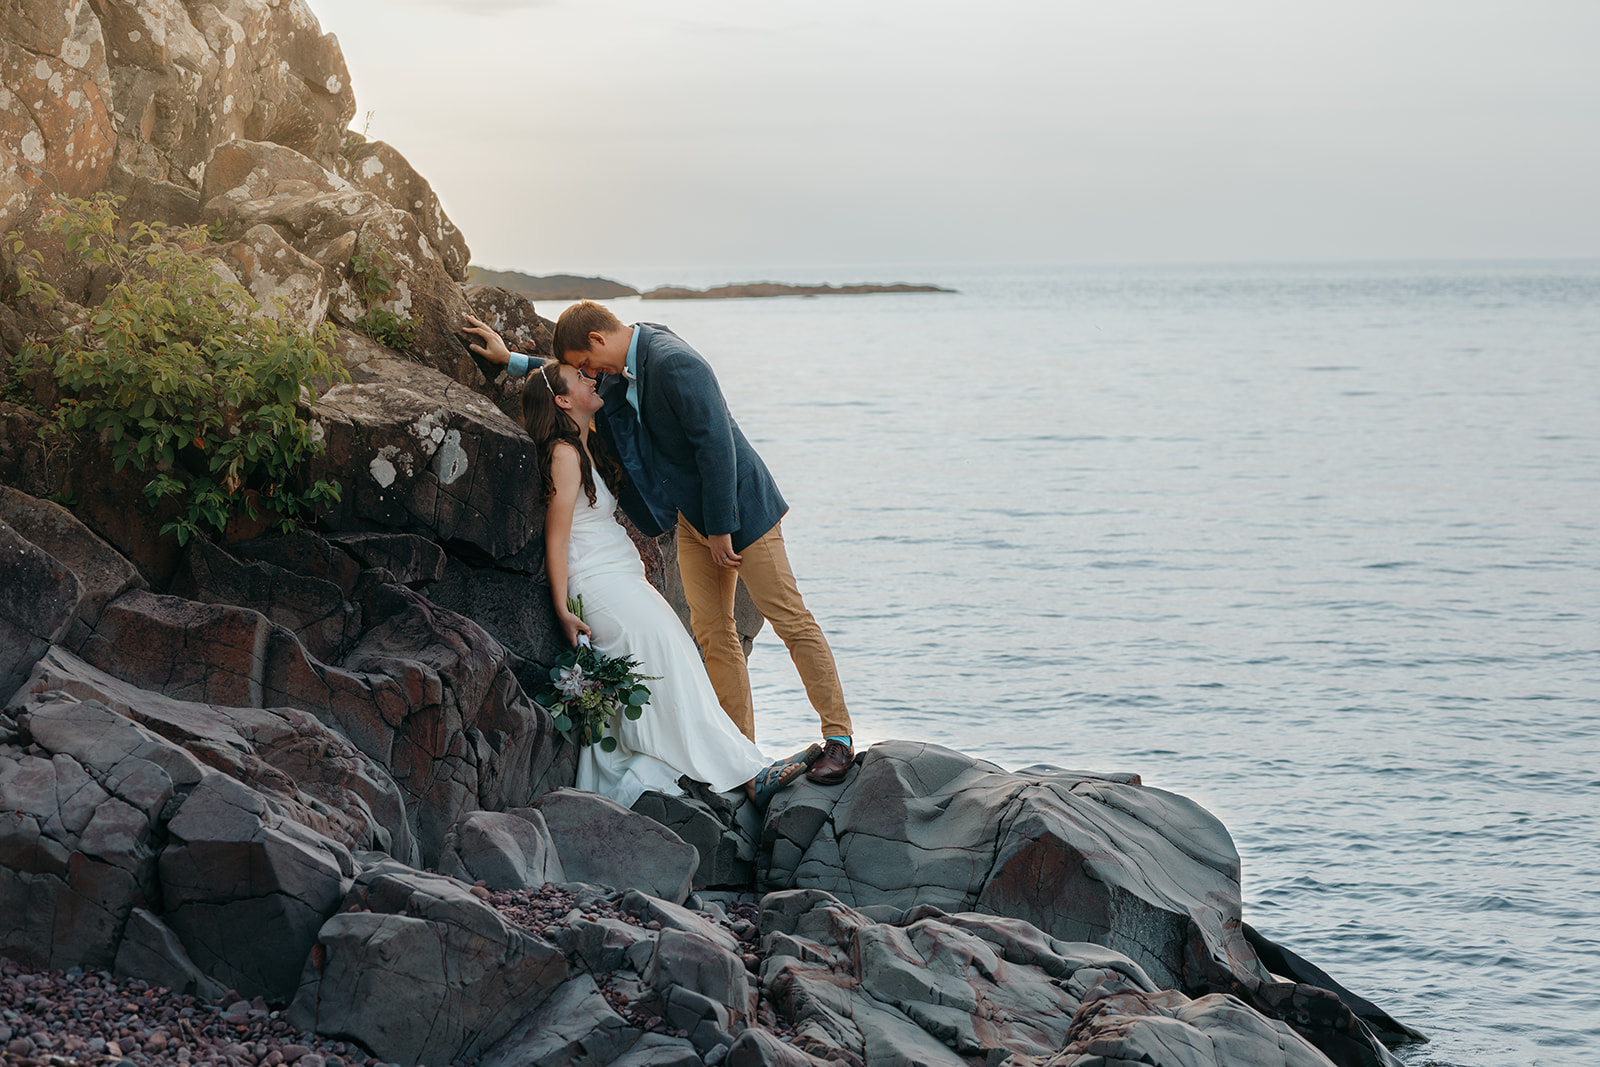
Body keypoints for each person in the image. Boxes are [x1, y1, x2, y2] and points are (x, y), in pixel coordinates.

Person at [463, 304, 856, 786]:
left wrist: (721, 528)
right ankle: (743, 759)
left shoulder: (673, 361)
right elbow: (562, 386)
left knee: (789, 617)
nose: (590, 376)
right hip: (695, 520)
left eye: (587, 364)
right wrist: (511, 360)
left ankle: (838, 739)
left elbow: (716, 443)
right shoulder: (623, 362)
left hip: (741, 512)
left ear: (597, 339)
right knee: (713, 633)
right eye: (583, 373)